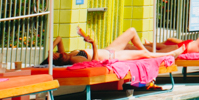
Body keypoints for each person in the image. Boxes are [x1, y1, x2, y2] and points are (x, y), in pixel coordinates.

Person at [53, 27, 181, 65]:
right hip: (112, 55)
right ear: (62, 61)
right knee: (143, 54)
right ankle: (168, 55)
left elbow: (59, 39)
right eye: (59, 56)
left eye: (58, 52)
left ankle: (151, 54)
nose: (61, 54)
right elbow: (95, 62)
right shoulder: (74, 59)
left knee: (132, 31)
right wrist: (93, 45)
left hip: (109, 50)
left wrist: (49, 50)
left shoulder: (67, 55)